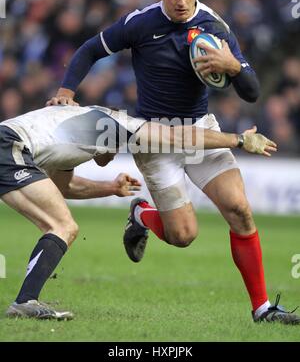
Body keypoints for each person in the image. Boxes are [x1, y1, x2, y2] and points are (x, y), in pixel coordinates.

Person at [47, 0, 300, 324]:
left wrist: (233, 67)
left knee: (240, 210)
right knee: (183, 236)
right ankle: (143, 213)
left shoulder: (214, 27)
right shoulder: (140, 23)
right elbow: (89, 50)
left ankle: (262, 308)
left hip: (200, 131)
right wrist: (66, 90)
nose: (181, 1)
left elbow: (252, 92)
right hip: (156, 138)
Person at [1, 103, 274, 320]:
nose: (111, 157)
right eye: (116, 149)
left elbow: (63, 186)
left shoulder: (73, 134)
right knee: (62, 226)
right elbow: (177, 136)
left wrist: (110, 188)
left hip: (12, 148)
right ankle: (25, 302)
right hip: (10, 147)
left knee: (60, 224)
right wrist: (238, 140)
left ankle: (26, 300)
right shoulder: (115, 124)